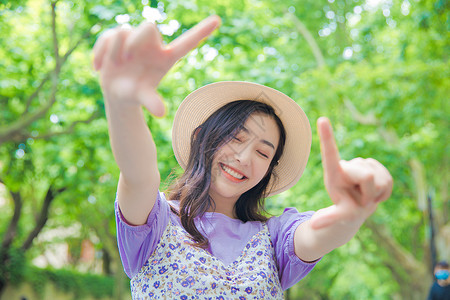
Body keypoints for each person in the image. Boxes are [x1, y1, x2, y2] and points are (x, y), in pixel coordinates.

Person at [93, 15, 393, 299]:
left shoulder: (274, 238)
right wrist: (123, 105)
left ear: (269, 170)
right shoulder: (154, 222)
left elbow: (317, 233)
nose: (244, 157)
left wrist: (350, 214)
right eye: (235, 137)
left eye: (263, 152)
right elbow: (139, 174)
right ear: (201, 138)